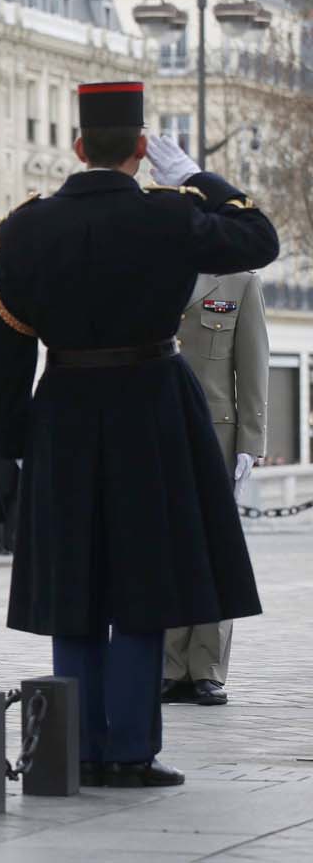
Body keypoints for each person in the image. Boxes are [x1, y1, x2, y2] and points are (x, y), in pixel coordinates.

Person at [0, 82, 277, 788]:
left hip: (66, 410)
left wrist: (19, 440)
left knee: (74, 587)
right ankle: (130, 748)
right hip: (153, 408)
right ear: (141, 149)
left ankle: (75, 747)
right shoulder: (171, 216)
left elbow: (5, 351)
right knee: (145, 583)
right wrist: (193, 177)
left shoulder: (24, 229)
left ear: (77, 147)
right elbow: (259, 239)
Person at [162, 271, 268, 708]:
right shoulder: (154, 268)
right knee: (165, 548)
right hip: (160, 428)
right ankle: (169, 666)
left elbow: (253, 362)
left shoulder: (240, 282)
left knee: (213, 549)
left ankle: (206, 668)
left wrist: (252, 440)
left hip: (216, 435)